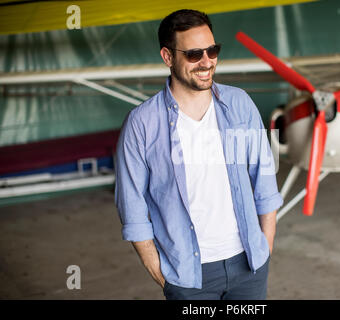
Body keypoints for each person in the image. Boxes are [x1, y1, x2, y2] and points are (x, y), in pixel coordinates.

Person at [114, 9, 283, 300]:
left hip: (249, 265)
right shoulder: (141, 124)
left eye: (212, 50)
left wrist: (265, 247)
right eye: (194, 54)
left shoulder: (239, 104)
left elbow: (264, 179)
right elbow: (132, 206)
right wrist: (162, 274)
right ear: (168, 57)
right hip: (188, 277)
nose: (207, 62)